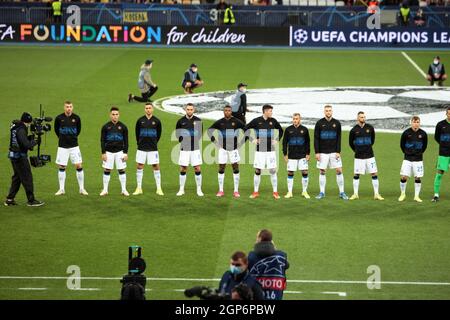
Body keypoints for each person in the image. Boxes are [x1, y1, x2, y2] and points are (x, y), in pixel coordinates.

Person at [4, 113, 44, 207]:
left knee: (17, 178)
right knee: (27, 177)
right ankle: (31, 200)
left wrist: (30, 139)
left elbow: (20, 141)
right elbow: (26, 145)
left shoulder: (16, 126)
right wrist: (34, 142)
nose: (29, 125)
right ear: (26, 122)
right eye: (29, 123)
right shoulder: (21, 129)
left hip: (13, 155)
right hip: (20, 157)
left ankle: (10, 199)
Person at [245, 104, 283, 199]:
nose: (271, 113)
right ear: (265, 111)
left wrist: (277, 139)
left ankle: (275, 192)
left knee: (273, 170)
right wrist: (252, 140)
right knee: (258, 170)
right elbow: (245, 129)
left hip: (271, 150)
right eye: (270, 111)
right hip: (260, 150)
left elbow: (281, 130)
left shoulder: (273, 121)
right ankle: (255, 192)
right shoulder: (257, 121)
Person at [207, 105, 245, 198]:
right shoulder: (220, 122)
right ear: (223, 112)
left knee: (235, 168)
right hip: (222, 149)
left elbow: (246, 130)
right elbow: (209, 131)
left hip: (234, 149)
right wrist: (215, 142)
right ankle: (221, 190)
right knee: (221, 168)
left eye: (229, 110)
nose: (227, 112)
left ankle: (236, 190)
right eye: (226, 110)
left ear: (231, 112)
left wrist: (241, 143)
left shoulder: (236, 122)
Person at [314, 105, 348, 200]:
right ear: (324, 112)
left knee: (339, 170)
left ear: (332, 112)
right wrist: (317, 152)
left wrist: (338, 151)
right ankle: (322, 192)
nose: (328, 112)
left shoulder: (336, 123)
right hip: (323, 152)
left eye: (329, 110)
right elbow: (316, 138)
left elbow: (339, 138)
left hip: (334, 151)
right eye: (326, 111)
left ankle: (341, 192)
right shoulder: (319, 123)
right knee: (322, 171)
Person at [54, 101, 88, 196]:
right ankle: (61, 189)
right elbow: (56, 130)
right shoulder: (59, 118)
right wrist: (63, 138)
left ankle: (81, 188)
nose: (68, 108)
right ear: (64, 108)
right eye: (67, 107)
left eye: (70, 106)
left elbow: (78, 130)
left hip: (74, 146)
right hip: (62, 146)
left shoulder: (76, 118)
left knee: (78, 166)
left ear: (72, 108)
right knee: (62, 166)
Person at [349, 112, 384, 200]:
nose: (363, 118)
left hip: (369, 155)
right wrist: (356, 150)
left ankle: (376, 194)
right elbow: (350, 143)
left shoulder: (370, 128)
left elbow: (372, 140)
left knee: (374, 173)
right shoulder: (353, 130)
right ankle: (355, 194)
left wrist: (366, 148)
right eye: (361, 117)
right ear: (357, 118)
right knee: (356, 174)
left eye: (364, 117)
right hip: (359, 156)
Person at [248, 230, 289, 300]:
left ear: (260, 239)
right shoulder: (281, 256)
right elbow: (287, 265)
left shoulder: (251, 256)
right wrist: (274, 248)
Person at [133, 102, 163, 196]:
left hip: (153, 148)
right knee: (139, 166)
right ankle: (139, 188)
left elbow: (159, 134)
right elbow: (137, 133)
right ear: (144, 109)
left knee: (156, 166)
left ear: (152, 109)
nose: (148, 109)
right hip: (141, 147)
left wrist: (154, 142)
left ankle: (159, 188)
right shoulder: (140, 120)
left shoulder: (157, 121)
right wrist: (140, 142)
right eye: (146, 108)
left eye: (150, 108)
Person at [100, 107, 129, 197]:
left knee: (121, 170)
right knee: (107, 170)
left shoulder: (123, 127)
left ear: (119, 115)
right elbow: (102, 140)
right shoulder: (105, 127)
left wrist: (125, 153)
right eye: (113, 114)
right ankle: (105, 190)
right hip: (108, 152)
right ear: (110, 115)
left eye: (116, 114)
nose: (115, 116)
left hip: (120, 152)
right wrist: (103, 153)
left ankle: (124, 190)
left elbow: (126, 141)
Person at [175, 103, 204, 197]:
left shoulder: (198, 121)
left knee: (197, 168)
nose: (189, 111)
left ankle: (199, 189)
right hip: (184, 149)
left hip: (195, 148)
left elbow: (200, 135)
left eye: (191, 109)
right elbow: (177, 134)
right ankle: (181, 189)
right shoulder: (180, 121)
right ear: (185, 110)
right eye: (188, 109)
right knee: (183, 168)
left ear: (194, 110)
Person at [399, 116, 428, 202]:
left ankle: (416, 196)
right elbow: (402, 145)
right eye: (414, 122)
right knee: (404, 177)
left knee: (418, 177)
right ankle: (403, 194)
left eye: (417, 122)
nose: (416, 124)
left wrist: (419, 153)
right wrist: (407, 153)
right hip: (407, 159)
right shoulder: (406, 133)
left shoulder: (423, 134)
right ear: (411, 123)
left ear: (419, 123)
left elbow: (424, 146)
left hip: (418, 159)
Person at [282, 113, 310, 199]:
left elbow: (308, 142)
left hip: (302, 155)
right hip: (291, 155)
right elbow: (284, 142)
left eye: (297, 119)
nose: (295, 120)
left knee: (305, 172)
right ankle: (290, 192)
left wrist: (308, 153)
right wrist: (285, 154)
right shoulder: (288, 130)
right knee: (290, 172)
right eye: (294, 119)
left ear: (300, 119)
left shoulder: (304, 129)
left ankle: (304, 191)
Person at [432, 107, 450, 202]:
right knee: (439, 173)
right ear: (446, 114)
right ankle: (436, 194)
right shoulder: (440, 125)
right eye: (449, 114)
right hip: (443, 153)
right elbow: (436, 137)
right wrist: (444, 145)